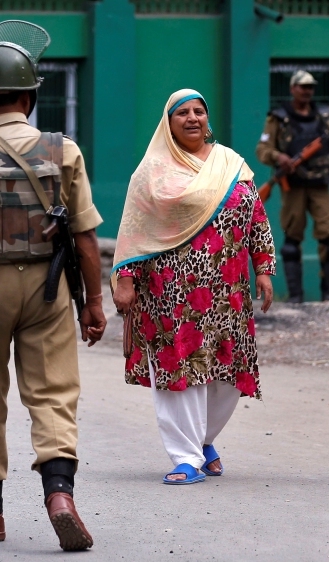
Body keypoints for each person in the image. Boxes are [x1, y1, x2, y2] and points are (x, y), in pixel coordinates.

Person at [0, 20, 106, 552]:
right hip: (50, 288)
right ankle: (59, 495)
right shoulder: (64, 151)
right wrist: (93, 301)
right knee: (53, 391)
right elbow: (86, 237)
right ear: (31, 95)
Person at [112, 89, 275, 485]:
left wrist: (264, 267)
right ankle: (185, 456)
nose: (191, 118)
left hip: (227, 294)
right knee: (178, 372)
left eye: (198, 111)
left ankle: (204, 440)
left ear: (208, 118)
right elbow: (133, 230)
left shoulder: (231, 163)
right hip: (170, 293)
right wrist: (125, 279)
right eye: (181, 113)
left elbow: (255, 216)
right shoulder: (151, 171)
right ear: (167, 125)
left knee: (225, 375)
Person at [256, 69, 329, 302]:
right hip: (294, 186)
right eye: (303, 86)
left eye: (311, 87)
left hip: (320, 183)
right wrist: (280, 158)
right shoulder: (279, 117)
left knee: (328, 238)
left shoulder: (323, 116)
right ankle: (295, 296)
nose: (307, 91)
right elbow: (263, 150)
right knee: (292, 239)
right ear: (292, 88)